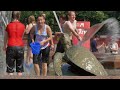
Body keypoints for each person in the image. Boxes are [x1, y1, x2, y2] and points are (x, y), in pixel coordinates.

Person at [3, 11, 25, 76]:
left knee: (10, 69)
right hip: (20, 46)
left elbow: (5, 37)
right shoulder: (23, 26)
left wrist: (4, 46)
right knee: (20, 68)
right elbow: (21, 37)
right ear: (19, 16)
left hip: (11, 46)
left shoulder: (8, 25)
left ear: (12, 16)